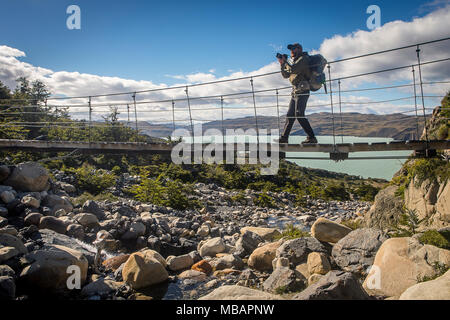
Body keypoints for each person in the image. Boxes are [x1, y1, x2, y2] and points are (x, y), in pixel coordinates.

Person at [277, 43, 317, 144]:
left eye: (294, 49)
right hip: (295, 92)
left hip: (303, 90)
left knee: (299, 114)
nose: (292, 51)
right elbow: (285, 75)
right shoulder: (293, 62)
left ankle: (312, 138)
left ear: (299, 49)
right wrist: (282, 63)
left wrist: (286, 62)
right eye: (291, 49)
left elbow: (294, 69)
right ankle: (284, 138)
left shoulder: (304, 59)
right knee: (290, 115)